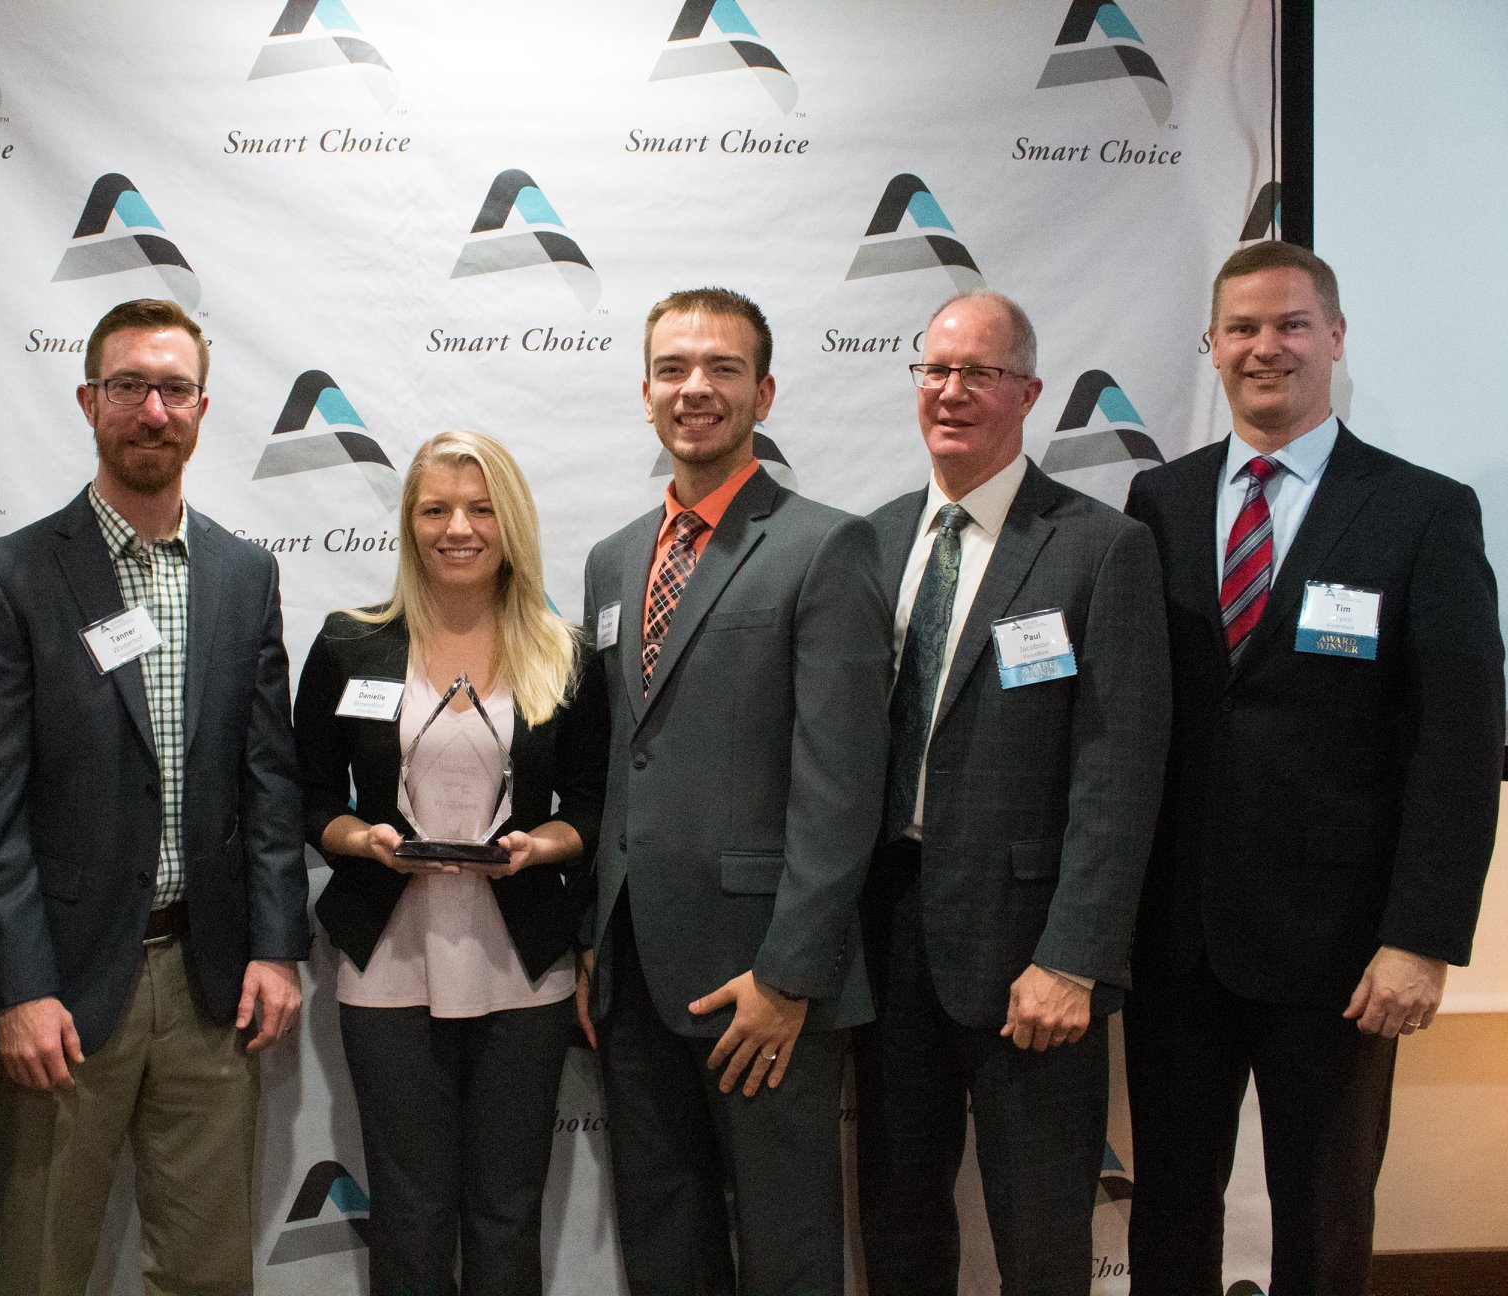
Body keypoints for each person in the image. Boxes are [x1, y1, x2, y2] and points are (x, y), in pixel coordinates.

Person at [1123, 241, 1502, 1295]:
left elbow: (1459, 742)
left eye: (1291, 324)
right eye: (1242, 328)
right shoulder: (1158, 500)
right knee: (1168, 1211)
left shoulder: (1423, 511)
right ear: (1211, 346)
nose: (1267, 347)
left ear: (1335, 338)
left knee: (1324, 1222)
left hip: (1343, 955)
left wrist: (1420, 939)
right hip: (1179, 941)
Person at [0, 298, 309, 1294]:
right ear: (88, 401)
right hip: (62, 988)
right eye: (129, 387)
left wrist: (278, 945)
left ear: (202, 408)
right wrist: (20, 985)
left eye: (174, 389)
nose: (153, 410)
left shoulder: (243, 574)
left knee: (208, 1272)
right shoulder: (7, 577)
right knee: (45, 1268)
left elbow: (270, 780)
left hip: (210, 980)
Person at [852, 291, 1170, 1293]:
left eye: (979, 373)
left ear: (1029, 394)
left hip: (1032, 955)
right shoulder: (875, 541)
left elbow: (1119, 774)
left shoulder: (1098, 546)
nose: (951, 392)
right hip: (888, 943)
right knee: (898, 1225)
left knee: (1039, 1238)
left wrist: (1074, 958)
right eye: (935, 370)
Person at [576, 286, 891, 1294]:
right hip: (634, 975)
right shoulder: (613, 561)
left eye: (721, 368)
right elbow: (621, 762)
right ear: (644, 393)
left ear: (763, 391)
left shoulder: (825, 546)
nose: (695, 389)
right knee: (664, 1250)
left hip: (761, 983)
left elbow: (843, 786)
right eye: (672, 369)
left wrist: (790, 976)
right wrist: (595, 940)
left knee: (788, 1255)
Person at [293, 429, 606, 1296]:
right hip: (388, 966)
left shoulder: (565, 653)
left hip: (524, 969)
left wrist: (542, 846)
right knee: (410, 1212)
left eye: (480, 509)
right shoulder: (350, 644)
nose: (458, 528)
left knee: (506, 1213)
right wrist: (362, 839)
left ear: (512, 523)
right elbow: (307, 795)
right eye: (435, 510)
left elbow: (592, 804)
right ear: (409, 523)